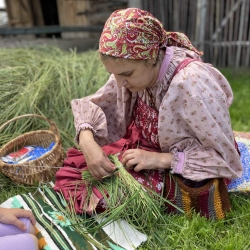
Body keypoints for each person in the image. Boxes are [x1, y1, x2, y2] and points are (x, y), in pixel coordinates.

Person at [54, 8, 243, 219]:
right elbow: (100, 103)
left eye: (126, 74)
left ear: (152, 57)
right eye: (114, 75)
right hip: (143, 147)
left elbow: (225, 159)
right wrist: (87, 143)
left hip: (184, 162)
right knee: (78, 171)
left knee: (109, 196)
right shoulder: (132, 66)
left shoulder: (191, 83)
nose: (119, 83)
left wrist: (159, 160)